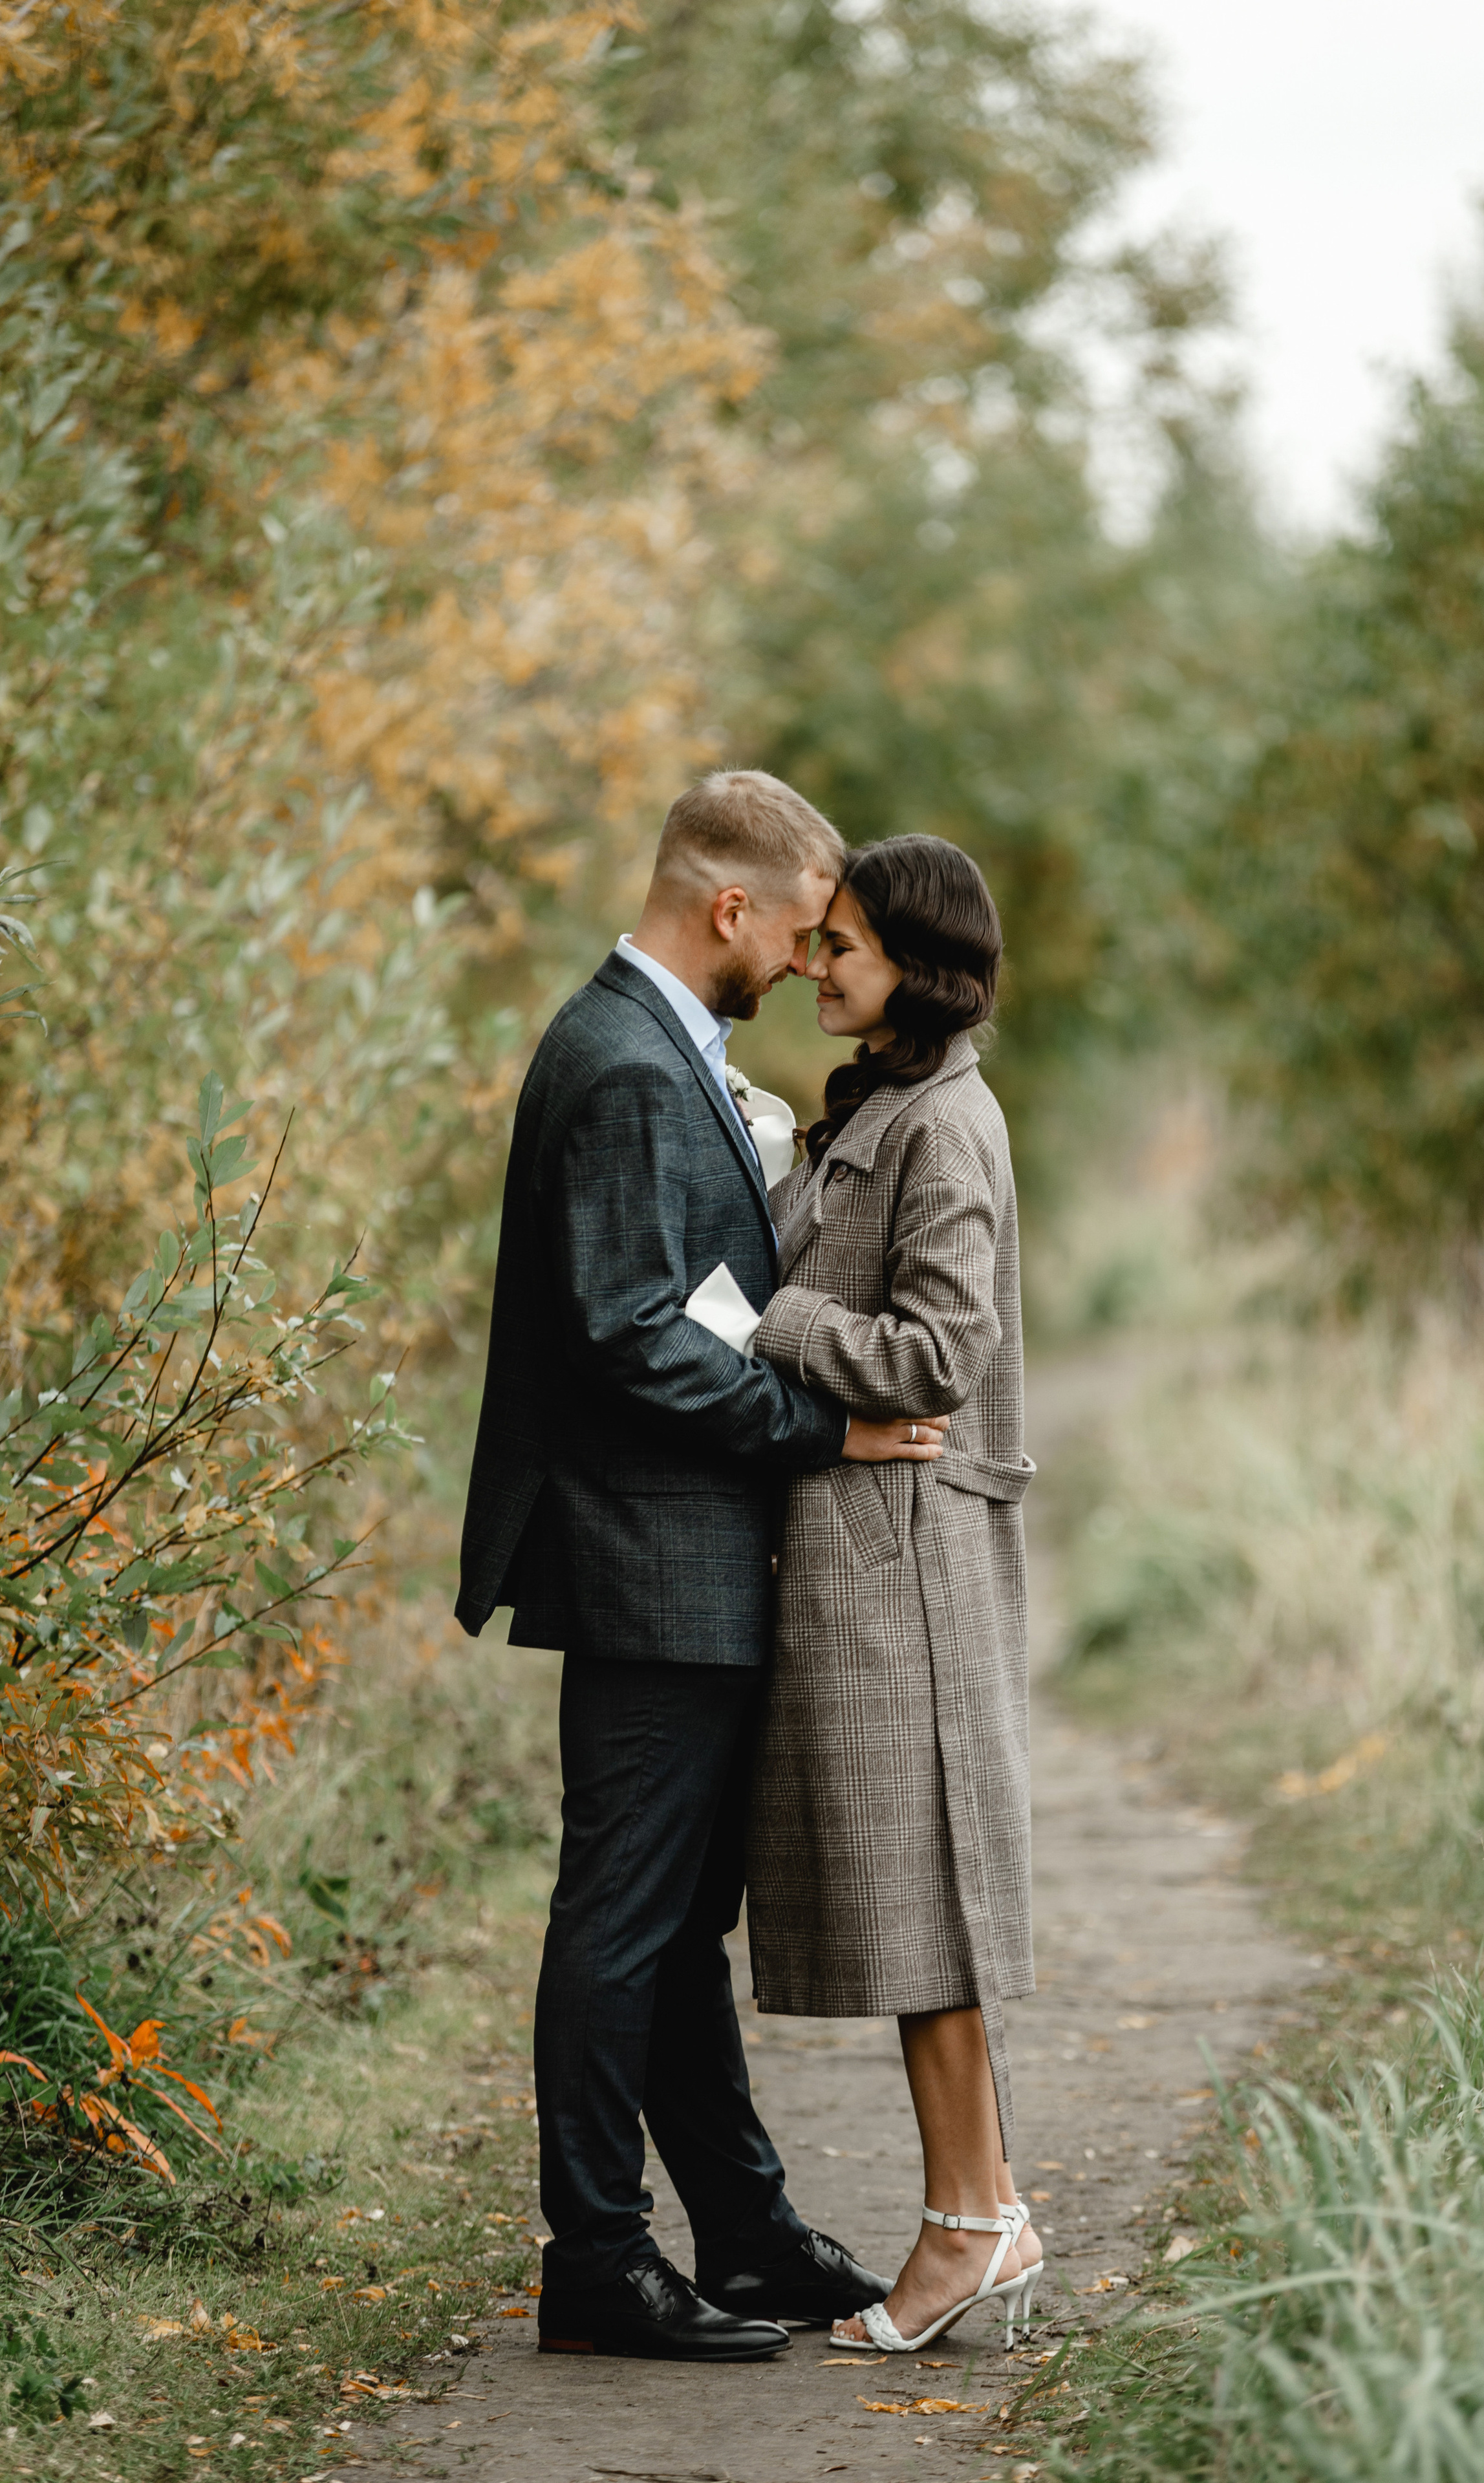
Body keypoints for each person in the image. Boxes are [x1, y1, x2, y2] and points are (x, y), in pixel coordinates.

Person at [453, 772, 948, 2363]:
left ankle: (737, 2232)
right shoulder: (617, 1063)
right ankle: (595, 2254)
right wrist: (820, 1430)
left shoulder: (667, 1054)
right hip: (643, 1556)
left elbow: (685, 1297)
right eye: (802, 930)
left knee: (668, 1929)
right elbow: (625, 1335)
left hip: (684, 1559)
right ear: (724, 907)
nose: (811, 962)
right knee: (622, 1918)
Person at [746, 834, 1039, 2354]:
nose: (811, 965)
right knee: (915, 1911)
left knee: (928, 1915)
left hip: (906, 1568)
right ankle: (986, 2207)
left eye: (839, 946)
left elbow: (940, 1356)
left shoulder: (949, 1124)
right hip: (866, 1558)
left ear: (913, 966)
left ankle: (963, 2230)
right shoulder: (880, 1109)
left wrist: (770, 1322)